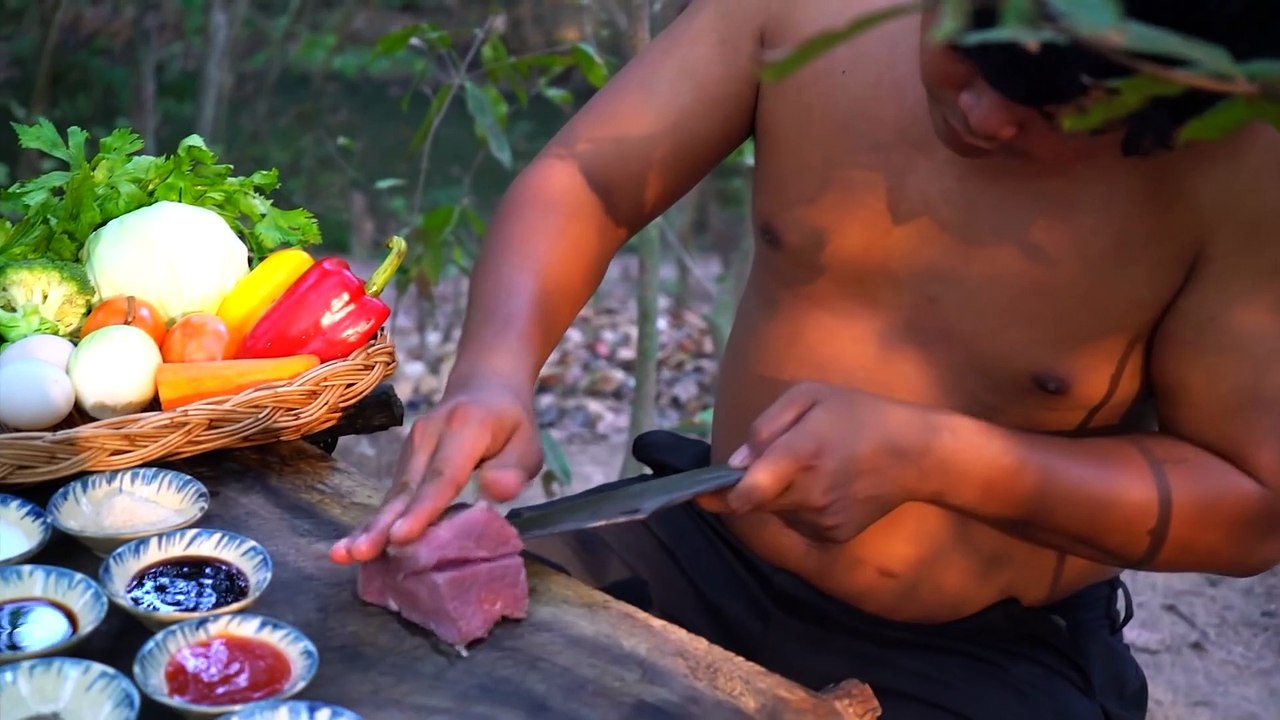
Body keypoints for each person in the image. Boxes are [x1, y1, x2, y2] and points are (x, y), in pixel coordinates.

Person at [331, 1, 1280, 717]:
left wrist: (945, 462)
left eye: (1071, 108)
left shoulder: (1240, 165)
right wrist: (494, 374)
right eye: (973, 51)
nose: (986, 115)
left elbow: (1251, 509)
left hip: (988, 651)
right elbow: (590, 177)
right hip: (706, 546)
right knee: (375, 656)